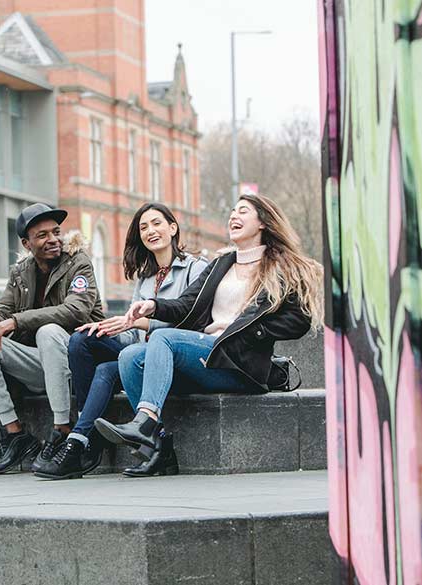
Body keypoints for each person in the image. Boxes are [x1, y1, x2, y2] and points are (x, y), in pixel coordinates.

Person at [93, 194, 323, 472]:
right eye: (232, 211)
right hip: (208, 357)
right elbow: (186, 304)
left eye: (243, 212)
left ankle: (145, 420)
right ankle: (158, 447)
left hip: (240, 364)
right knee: (130, 355)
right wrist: (153, 306)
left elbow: (299, 320)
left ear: (263, 222)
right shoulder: (221, 265)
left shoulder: (281, 267)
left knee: (166, 338)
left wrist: (251, 333)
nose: (233, 216)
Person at [34, 203, 207, 480]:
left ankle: (81, 441)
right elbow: (133, 333)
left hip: (173, 356)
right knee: (83, 339)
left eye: (156, 223)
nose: (150, 231)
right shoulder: (146, 277)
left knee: (107, 367)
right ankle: (83, 436)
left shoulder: (196, 269)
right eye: (143, 227)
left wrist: (136, 321)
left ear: (173, 228)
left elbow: (192, 318)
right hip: (138, 352)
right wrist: (108, 328)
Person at [0, 203, 105, 474]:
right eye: (42, 235)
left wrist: (17, 321)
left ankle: (63, 428)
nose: (53, 239)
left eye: (56, 232)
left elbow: (76, 310)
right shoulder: (21, 272)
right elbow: (2, 308)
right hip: (44, 364)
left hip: (79, 360)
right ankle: (16, 433)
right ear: (27, 243)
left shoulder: (79, 262)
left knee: (49, 330)